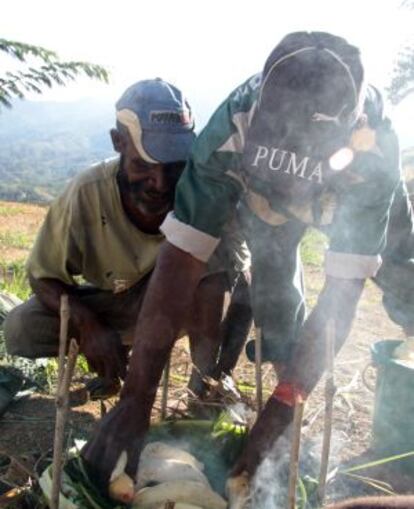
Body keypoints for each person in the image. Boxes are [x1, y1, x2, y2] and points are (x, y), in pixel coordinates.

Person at [81, 30, 412, 488]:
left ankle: (343, 410)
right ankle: (285, 384)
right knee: (275, 291)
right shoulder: (230, 130)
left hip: (347, 197)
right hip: (259, 200)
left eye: (299, 162)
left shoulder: (373, 155)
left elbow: (341, 295)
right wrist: (137, 396)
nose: (289, 180)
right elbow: (181, 260)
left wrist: (278, 412)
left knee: (404, 276)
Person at [3, 78, 252, 400]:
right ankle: (114, 358)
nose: (160, 184)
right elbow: (43, 277)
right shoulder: (85, 193)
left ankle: (203, 388)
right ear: (118, 142)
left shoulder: (202, 190)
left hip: (181, 302)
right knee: (22, 328)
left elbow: (245, 282)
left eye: (173, 167)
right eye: (143, 165)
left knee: (214, 259)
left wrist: (221, 370)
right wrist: (89, 325)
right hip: (119, 306)